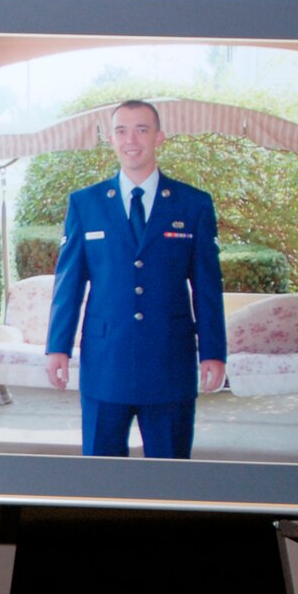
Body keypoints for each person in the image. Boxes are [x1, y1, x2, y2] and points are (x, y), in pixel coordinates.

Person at [44, 99, 226, 459]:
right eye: (121, 130)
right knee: (101, 478)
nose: (132, 139)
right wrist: (57, 347)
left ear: (159, 137)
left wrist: (214, 352)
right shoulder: (86, 204)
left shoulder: (193, 205)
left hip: (169, 364)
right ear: (111, 139)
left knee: (169, 480)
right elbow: (69, 283)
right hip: (106, 362)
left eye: (142, 129)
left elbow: (207, 288)